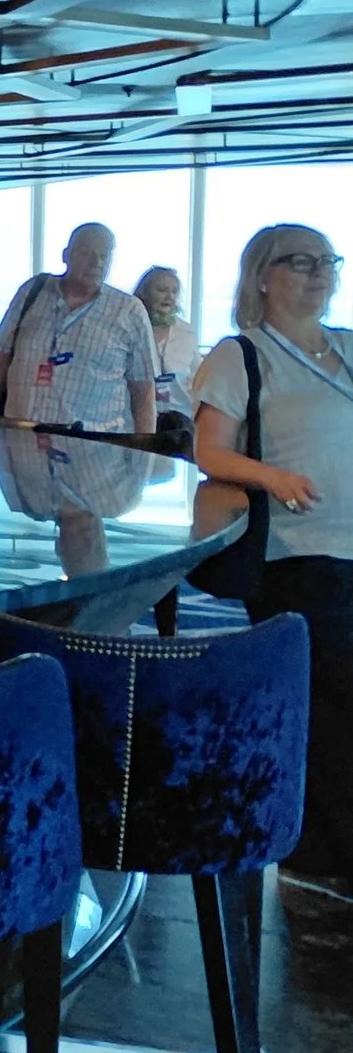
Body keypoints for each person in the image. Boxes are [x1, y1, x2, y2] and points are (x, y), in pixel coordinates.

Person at [192, 223, 353, 888]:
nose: (320, 273)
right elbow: (209, 451)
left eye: (328, 261)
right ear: (263, 275)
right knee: (331, 702)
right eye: (301, 261)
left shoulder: (346, 346)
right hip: (302, 553)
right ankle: (320, 858)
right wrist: (273, 477)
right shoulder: (242, 355)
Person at [0, 222, 160, 433]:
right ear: (66, 255)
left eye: (104, 256)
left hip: (95, 446)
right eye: (86, 253)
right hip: (23, 439)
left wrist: (145, 447)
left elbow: (144, 392)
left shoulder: (129, 311)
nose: (96, 263)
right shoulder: (31, 293)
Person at [133, 265, 201, 417]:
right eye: (162, 290)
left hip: (181, 417)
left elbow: (197, 376)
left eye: (174, 291)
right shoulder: (132, 328)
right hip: (138, 416)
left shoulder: (186, 332)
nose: (169, 296)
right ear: (144, 293)